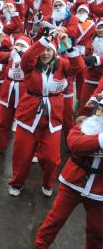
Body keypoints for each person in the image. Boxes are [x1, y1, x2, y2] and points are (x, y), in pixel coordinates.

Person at [8, 32, 84, 197]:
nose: (45, 53)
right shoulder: (30, 64)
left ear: (55, 52)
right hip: (28, 117)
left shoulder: (62, 64)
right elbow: (28, 56)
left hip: (53, 117)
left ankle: (48, 183)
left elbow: (79, 67)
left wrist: (67, 43)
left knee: (51, 158)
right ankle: (17, 182)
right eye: (43, 50)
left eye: (49, 50)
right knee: (22, 155)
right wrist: (45, 40)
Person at [35, 107, 103, 249]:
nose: (99, 114)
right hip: (73, 182)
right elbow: (75, 143)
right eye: (100, 109)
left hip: (99, 192)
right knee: (55, 219)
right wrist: (100, 141)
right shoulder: (85, 125)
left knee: (98, 230)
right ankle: (41, 244)